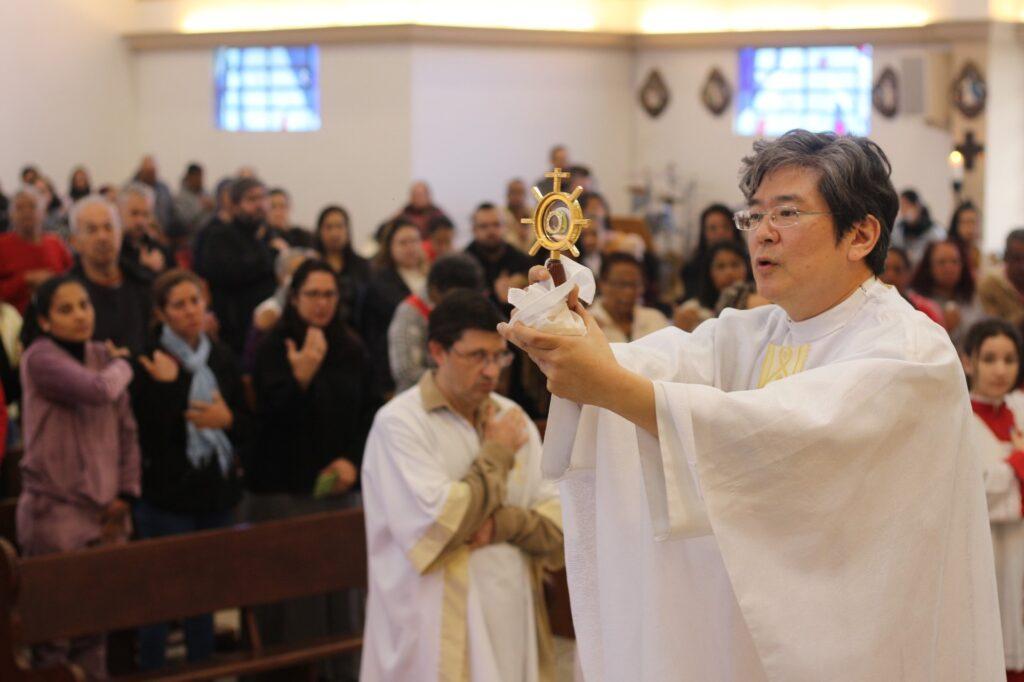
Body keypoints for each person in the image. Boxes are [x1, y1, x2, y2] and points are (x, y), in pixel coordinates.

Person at [500, 130, 1002, 680]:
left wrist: (607, 383)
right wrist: (569, 334)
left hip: (866, 640)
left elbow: (789, 433)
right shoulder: (760, 330)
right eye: (753, 216)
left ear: (860, 234)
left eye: (786, 214)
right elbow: (665, 365)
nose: (761, 234)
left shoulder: (909, 352)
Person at [361, 290, 563, 682]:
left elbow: (559, 524)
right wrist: (497, 454)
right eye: (477, 357)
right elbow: (439, 524)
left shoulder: (511, 416)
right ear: (437, 351)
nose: (491, 371)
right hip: (433, 625)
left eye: (498, 356)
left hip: (510, 619)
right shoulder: (400, 424)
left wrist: (504, 525)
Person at [248, 260, 376, 679]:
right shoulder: (274, 345)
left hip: (341, 487)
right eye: (312, 295)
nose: (322, 304)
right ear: (294, 297)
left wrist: (352, 464)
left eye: (329, 295)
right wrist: (299, 378)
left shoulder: (351, 347)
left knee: (343, 601)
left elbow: (370, 415)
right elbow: (264, 427)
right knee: (294, 605)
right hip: (286, 491)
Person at [16, 275, 140, 679]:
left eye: (84, 306)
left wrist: (126, 491)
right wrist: (126, 363)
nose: (80, 316)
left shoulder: (102, 355)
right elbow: (99, 390)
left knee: (94, 629)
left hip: (103, 509)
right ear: (46, 321)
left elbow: (126, 430)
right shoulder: (40, 357)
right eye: (65, 310)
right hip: (55, 510)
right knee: (54, 634)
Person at [130, 269, 245, 670]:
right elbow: (148, 432)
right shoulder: (149, 357)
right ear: (161, 313)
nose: (191, 311)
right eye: (179, 305)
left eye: (195, 301)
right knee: (162, 598)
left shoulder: (220, 355)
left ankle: (204, 669)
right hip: (167, 495)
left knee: (205, 594)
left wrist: (227, 419)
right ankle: (153, 672)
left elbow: (243, 419)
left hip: (214, 490)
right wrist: (166, 388)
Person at [963, 319, 1024, 681]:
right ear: (968, 361)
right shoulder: (959, 418)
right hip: (988, 551)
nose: (1000, 369)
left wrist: (1010, 473)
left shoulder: (1019, 407)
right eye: (989, 359)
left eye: (1009, 359)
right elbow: (978, 490)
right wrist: (1018, 461)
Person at [195, 178, 277, 355]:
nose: (259, 205)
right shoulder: (219, 237)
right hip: (235, 329)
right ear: (234, 205)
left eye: (262, 198)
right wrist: (269, 254)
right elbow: (231, 273)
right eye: (251, 199)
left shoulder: (271, 236)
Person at [387, 253, 484, 393]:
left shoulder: (467, 306)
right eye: (455, 297)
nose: (462, 304)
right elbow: (407, 372)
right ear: (434, 289)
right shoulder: (410, 314)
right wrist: (458, 381)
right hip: (419, 401)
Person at [69, 196, 153, 355]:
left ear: (120, 234)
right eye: (92, 230)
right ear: (74, 241)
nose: (103, 237)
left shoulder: (143, 283)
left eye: (109, 227)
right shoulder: (66, 292)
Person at [362, 220, 427, 392]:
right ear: (390, 247)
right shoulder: (379, 283)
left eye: (414, 241)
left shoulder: (430, 277)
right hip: (394, 367)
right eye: (403, 243)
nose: (410, 247)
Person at [0, 187, 72, 313]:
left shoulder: (55, 243)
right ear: (11, 214)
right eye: (20, 208)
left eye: (32, 206)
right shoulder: (2, 245)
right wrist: (25, 280)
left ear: (43, 212)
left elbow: (73, 280)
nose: (26, 212)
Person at [911, 240, 983, 350]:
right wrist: (944, 328)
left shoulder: (971, 296)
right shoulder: (917, 301)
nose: (949, 268)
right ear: (929, 267)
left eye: (955, 262)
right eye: (942, 262)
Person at [464, 202, 533, 306]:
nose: (491, 231)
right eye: (484, 226)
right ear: (474, 230)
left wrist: (522, 284)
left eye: (496, 224)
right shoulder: (464, 262)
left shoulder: (519, 258)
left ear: (504, 227)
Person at [673, 241, 751, 332]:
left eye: (735, 265)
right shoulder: (691, 310)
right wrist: (680, 329)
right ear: (709, 273)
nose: (729, 273)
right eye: (721, 266)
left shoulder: (759, 303)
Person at [590, 253, 669, 343]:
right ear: (602, 284)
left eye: (634, 285)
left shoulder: (655, 319)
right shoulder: (587, 324)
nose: (628, 292)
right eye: (621, 284)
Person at [314, 204, 370, 325]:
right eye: (328, 227)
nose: (334, 233)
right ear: (319, 231)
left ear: (347, 230)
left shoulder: (363, 266)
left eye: (340, 226)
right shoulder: (312, 266)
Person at [679, 203, 745, 302]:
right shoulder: (691, 269)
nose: (720, 233)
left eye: (725, 226)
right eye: (713, 228)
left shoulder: (752, 261)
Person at [119, 182, 173, 276]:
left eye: (145, 214)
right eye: (134, 213)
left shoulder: (158, 249)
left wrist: (160, 269)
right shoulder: (113, 249)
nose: (140, 221)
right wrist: (143, 267)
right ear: (119, 211)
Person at [979, 229, 1024, 327]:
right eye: (1016, 258)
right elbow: (994, 329)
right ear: (1006, 256)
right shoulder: (990, 285)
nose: (1022, 266)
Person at [891, 188, 945, 267]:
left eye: (908, 205)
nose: (904, 210)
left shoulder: (935, 232)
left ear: (917, 206)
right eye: (902, 206)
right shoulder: (897, 231)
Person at [133, 155, 180, 239]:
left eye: (153, 172)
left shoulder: (164, 188)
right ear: (141, 171)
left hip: (164, 235)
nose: (151, 176)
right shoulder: (131, 190)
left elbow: (172, 211)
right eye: (148, 172)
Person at [174, 163, 214, 242]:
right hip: (191, 240)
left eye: (201, 176)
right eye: (197, 176)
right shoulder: (180, 197)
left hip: (209, 237)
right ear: (190, 177)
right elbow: (184, 222)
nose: (200, 180)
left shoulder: (206, 194)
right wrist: (203, 209)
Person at [949, 200, 982, 273]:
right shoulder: (950, 253)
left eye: (973, 222)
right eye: (965, 222)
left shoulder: (978, 253)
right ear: (956, 225)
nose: (970, 227)